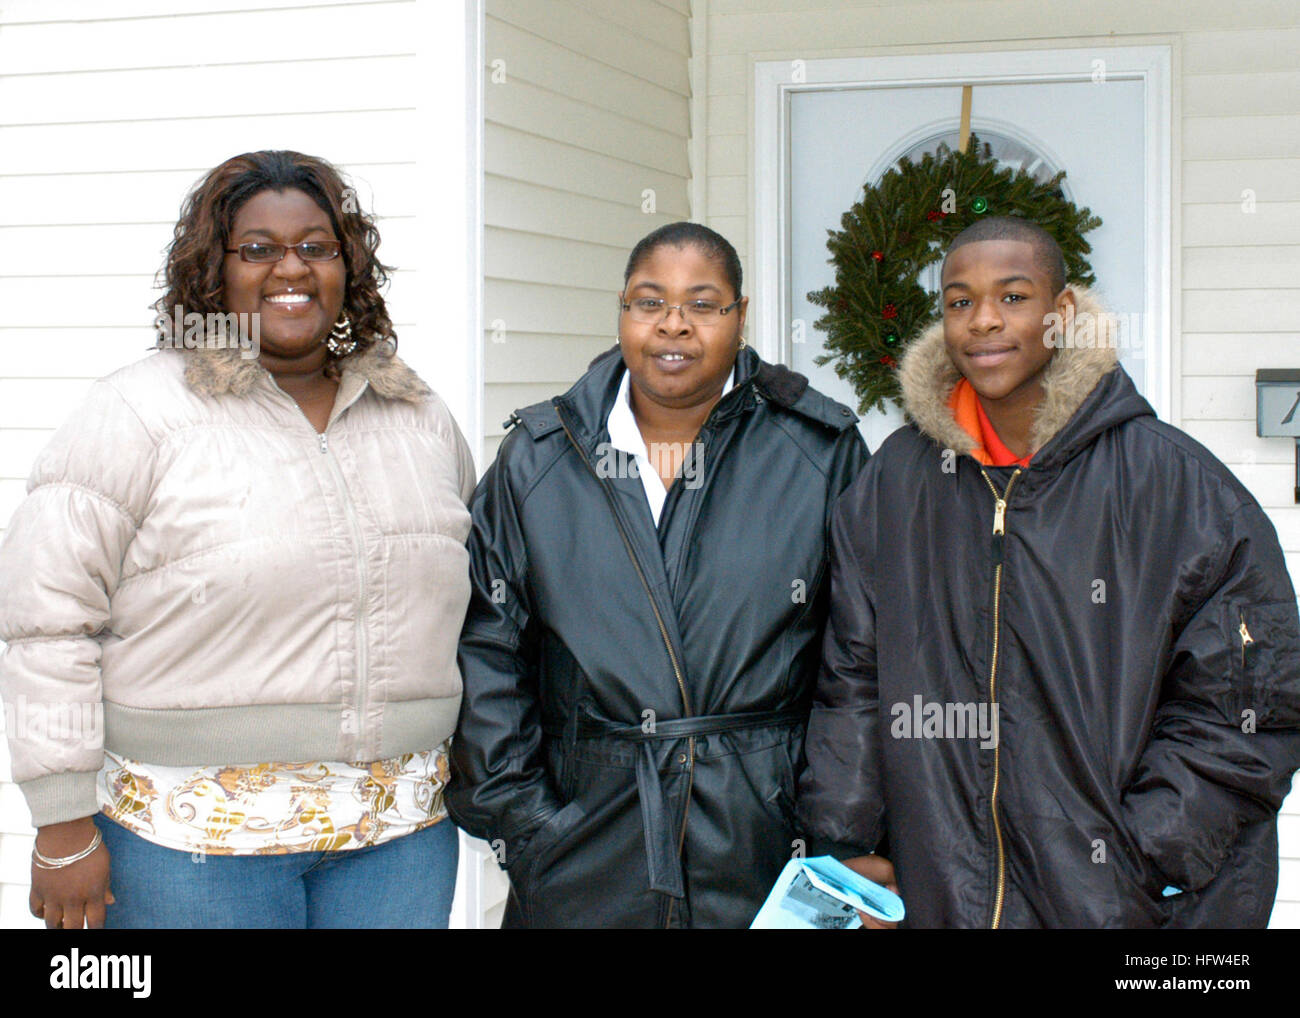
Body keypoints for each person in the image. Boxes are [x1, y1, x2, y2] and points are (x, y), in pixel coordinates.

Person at [0, 150, 476, 929]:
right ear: (212, 270)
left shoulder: (417, 415)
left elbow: (481, 601)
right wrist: (60, 825)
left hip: (399, 834)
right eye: (258, 249)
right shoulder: (137, 413)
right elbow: (47, 620)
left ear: (346, 266)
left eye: (316, 247)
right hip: (187, 843)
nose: (291, 268)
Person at [797, 215, 1300, 928]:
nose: (984, 322)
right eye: (959, 301)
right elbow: (853, 676)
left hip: (1109, 903)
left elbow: (1249, 707)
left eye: (1013, 296)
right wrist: (847, 846)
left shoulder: (1175, 485)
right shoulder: (895, 482)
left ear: (1062, 314)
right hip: (932, 893)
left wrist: (1142, 852)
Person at [445, 222, 869, 928]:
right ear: (621, 310)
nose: (674, 324)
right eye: (649, 302)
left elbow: (860, 656)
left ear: (740, 315)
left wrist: (837, 834)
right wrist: (529, 825)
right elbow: (487, 646)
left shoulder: (818, 450)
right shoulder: (541, 457)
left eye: (703, 304)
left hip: (764, 839)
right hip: (584, 838)